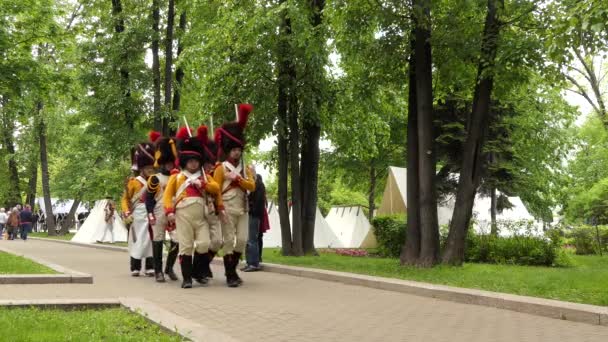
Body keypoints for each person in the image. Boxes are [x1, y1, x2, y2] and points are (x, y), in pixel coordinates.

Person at [163, 126, 221, 289]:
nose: (193, 163)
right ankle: (187, 278)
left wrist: (203, 184)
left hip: (201, 215)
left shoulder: (205, 176)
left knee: (204, 244)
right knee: (186, 246)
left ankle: (197, 272)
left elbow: (216, 188)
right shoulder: (177, 177)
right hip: (183, 215)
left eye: (196, 160)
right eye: (190, 160)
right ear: (185, 161)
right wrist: (169, 211)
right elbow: (167, 196)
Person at [214, 104, 256, 287]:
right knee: (229, 240)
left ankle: (232, 269)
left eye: (239, 150)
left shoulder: (245, 168)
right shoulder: (221, 168)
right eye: (234, 150)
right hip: (227, 207)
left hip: (243, 206)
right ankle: (230, 274)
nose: (237, 152)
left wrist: (238, 180)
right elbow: (216, 189)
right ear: (228, 150)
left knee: (243, 240)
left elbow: (252, 186)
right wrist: (219, 207)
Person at [146, 131, 180, 283]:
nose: (170, 165)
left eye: (171, 162)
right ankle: (158, 271)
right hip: (159, 211)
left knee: (177, 240)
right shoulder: (154, 179)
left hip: (175, 212)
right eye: (167, 163)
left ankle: (169, 267)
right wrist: (150, 214)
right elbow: (149, 198)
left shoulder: (179, 177)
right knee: (158, 240)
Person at [122, 142, 156, 277]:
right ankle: (135, 267)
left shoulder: (155, 181)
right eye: (147, 168)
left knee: (151, 240)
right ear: (141, 168)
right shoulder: (133, 182)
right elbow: (125, 199)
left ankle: (150, 266)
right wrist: (126, 212)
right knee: (137, 240)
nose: (150, 170)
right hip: (138, 213)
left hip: (151, 212)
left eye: (151, 168)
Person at [201, 135, 223, 279]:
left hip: (212, 212)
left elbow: (216, 189)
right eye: (208, 164)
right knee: (202, 243)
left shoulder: (209, 176)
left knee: (217, 242)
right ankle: (201, 269)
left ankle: (204, 264)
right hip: (198, 213)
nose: (210, 166)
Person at [243, 173, 266, 272]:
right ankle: (249, 262)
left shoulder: (259, 185)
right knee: (248, 239)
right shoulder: (250, 185)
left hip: (254, 215)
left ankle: (254, 263)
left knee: (253, 239)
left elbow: (259, 201)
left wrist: (252, 209)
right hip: (249, 214)